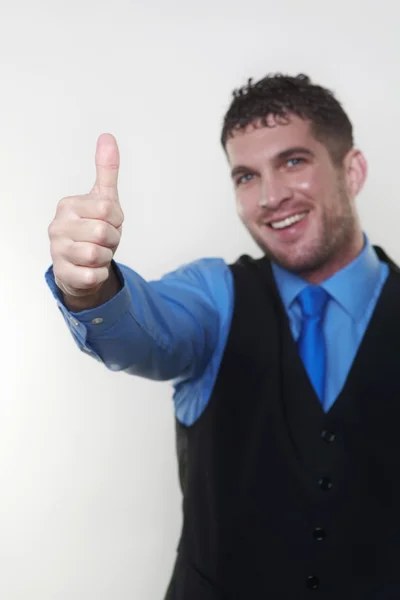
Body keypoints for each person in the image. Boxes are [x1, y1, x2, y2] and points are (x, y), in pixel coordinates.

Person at [46, 73, 400, 599]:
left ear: (353, 170)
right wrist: (89, 289)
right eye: (246, 176)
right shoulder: (216, 296)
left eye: (293, 162)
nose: (271, 197)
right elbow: (145, 330)